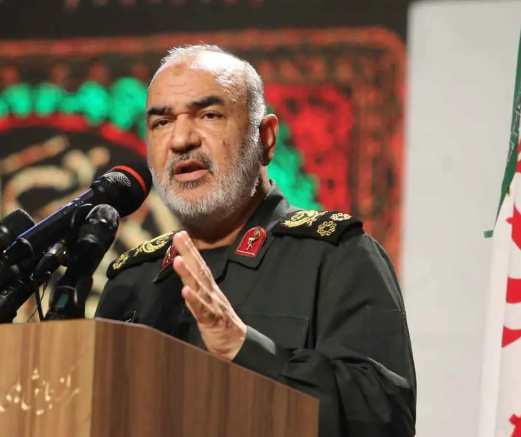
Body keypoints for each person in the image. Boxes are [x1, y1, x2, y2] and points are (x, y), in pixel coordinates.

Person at [94, 45, 416, 437]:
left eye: (209, 115)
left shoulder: (337, 257)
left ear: (265, 139)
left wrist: (244, 349)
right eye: (162, 122)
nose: (180, 139)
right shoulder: (131, 281)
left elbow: (384, 418)